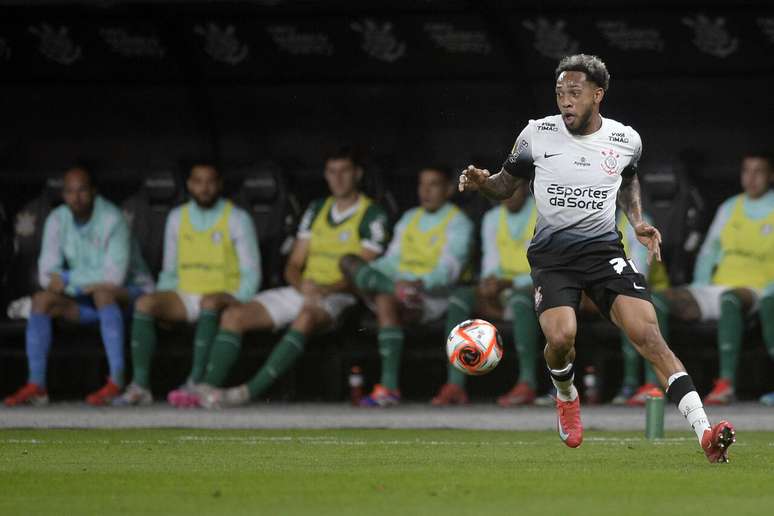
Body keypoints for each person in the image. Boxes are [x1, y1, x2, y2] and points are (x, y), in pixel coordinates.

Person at [458, 54, 735, 462]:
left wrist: (638, 221)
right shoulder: (537, 134)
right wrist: (483, 182)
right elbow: (504, 186)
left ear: (597, 95)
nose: (565, 101)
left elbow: (627, 180)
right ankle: (566, 394)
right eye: (559, 93)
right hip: (552, 257)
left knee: (649, 336)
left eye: (574, 92)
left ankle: (705, 433)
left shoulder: (626, 140)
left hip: (604, 252)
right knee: (561, 337)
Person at [172, 147, 389, 408]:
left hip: (340, 294)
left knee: (306, 316)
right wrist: (303, 285)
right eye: (332, 172)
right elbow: (294, 264)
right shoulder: (316, 209)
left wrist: (324, 290)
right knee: (234, 316)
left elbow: (359, 271)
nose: (338, 178)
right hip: (303, 289)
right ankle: (205, 388)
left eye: (344, 171)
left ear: (357, 174)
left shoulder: (372, 214)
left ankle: (245, 392)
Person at [4, 166, 154, 406]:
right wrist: (70, 281)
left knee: (104, 293)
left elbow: (113, 278)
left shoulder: (112, 218)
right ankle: (37, 385)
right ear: (63, 194)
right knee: (42, 299)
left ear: (93, 191)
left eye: (82, 190)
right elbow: (46, 275)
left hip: (131, 296)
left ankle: (116, 381)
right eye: (70, 191)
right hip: (86, 300)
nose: (76, 197)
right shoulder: (57, 218)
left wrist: (66, 279)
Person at [114, 161, 260, 405]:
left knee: (208, 301)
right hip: (186, 295)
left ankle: (195, 382)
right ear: (190, 185)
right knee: (145, 304)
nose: (204, 188)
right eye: (198, 182)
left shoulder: (237, 218)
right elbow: (170, 269)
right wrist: (162, 298)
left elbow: (252, 272)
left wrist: (239, 299)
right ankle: (140, 386)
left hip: (222, 296)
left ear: (219, 185)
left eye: (210, 182)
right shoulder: (177, 217)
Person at [336, 165, 473, 407]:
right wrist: (378, 274)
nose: (426, 191)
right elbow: (391, 259)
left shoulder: (458, 222)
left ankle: (388, 386)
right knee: (349, 262)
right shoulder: (410, 218)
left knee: (383, 298)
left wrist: (418, 283)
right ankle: (394, 291)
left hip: (430, 295)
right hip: (397, 288)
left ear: (448, 189)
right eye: (422, 184)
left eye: (433, 184)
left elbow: (449, 269)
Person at [655, 152, 774, 405]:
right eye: (746, 171)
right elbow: (709, 251)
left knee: (730, 299)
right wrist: (699, 286)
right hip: (716, 289)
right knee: (657, 300)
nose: (751, 178)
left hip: (757, 291)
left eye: (758, 171)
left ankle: (726, 383)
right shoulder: (730, 207)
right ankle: (656, 385)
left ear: (770, 175)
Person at [431, 182, 542, 406]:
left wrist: (508, 283)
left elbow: (547, 266)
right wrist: (490, 284)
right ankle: (455, 384)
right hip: (501, 288)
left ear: (527, 189)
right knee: (460, 298)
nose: (509, 194)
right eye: (504, 189)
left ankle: (527, 383)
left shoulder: (543, 214)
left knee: (521, 298)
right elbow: (491, 263)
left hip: (534, 286)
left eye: (515, 188)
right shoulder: (492, 218)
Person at [610, 210, 670, 405]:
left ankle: (652, 383)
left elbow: (639, 270)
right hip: (613, 288)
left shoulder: (640, 223)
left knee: (629, 304)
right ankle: (629, 383)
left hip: (648, 287)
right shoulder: (595, 222)